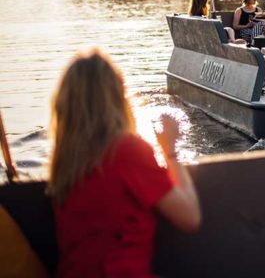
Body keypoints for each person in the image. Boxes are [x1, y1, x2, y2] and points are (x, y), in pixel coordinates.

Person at [47, 49, 201, 277]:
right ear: (117, 98)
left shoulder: (65, 163)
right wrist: (169, 150)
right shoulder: (127, 151)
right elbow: (190, 217)